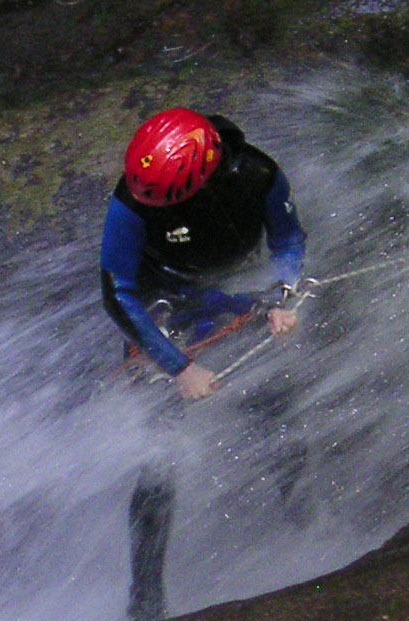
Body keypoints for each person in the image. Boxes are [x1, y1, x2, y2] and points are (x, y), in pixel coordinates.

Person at [99, 107, 307, 401]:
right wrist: (180, 368)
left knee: (270, 392)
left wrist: (283, 295)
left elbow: (287, 240)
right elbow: (117, 292)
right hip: (164, 293)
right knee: (154, 399)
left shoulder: (259, 176)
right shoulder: (132, 202)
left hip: (234, 288)